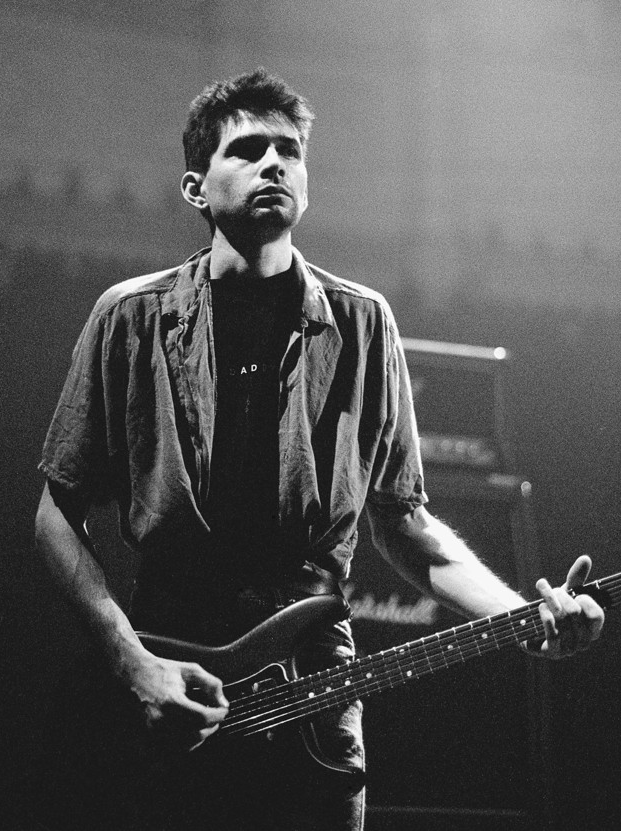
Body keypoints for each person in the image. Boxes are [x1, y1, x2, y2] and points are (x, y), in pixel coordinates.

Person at [34, 68, 605, 831]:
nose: (275, 163)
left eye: (289, 150)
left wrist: (521, 614)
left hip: (314, 690)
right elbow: (55, 511)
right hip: (168, 675)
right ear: (196, 188)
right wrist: (130, 660)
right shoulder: (129, 317)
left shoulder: (364, 324)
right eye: (248, 149)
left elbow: (405, 524)